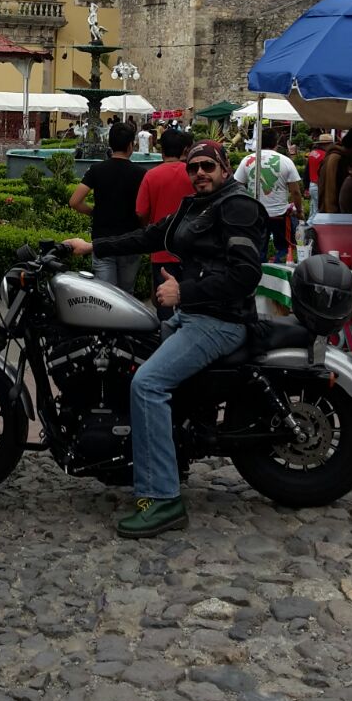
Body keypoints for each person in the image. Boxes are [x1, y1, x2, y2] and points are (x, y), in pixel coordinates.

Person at [65, 140, 266, 537]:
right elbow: (151, 236)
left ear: (225, 169)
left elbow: (246, 275)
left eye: (208, 166)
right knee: (130, 361)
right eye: (194, 168)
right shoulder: (198, 206)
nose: (200, 174)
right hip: (192, 315)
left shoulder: (237, 206)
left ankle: (162, 499)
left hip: (218, 322)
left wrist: (185, 291)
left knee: (148, 384)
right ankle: (166, 456)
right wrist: (92, 246)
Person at [68, 121, 144, 294]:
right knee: (126, 294)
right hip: (130, 241)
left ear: (110, 144)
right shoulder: (140, 173)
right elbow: (143, 210)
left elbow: (75, 201)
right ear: (130, 145)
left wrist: (94, 212)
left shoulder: (97, 170)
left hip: (102, 241)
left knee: (106, 296)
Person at [135, 130, 194, 307]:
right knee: (189, 302)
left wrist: (148, 229)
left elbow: (140, 212)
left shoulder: (151, 175)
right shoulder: (194, 174)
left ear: (161, 150)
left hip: (161, 248)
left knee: (164, 306)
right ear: (185, 150)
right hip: (191, 248)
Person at [233, 127, 303, 262]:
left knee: (257, 252)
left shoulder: (247, 160)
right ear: (276, 143)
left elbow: (237, 186)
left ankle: (260, 277)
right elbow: (295, 191)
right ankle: (277, 270)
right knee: (285, 250)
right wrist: (299, 211)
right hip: (280, 215)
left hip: (256, 214)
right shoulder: (286, 161)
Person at [303, 134, 333, 221]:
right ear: (326, 144)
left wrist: (306, 187)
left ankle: (308, 228)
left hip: (312, 184)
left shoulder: (312, 153)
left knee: (313, 210)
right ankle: (312, 230)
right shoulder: (325, 155)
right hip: (319, 185)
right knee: (319, 211)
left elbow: (306, 171)